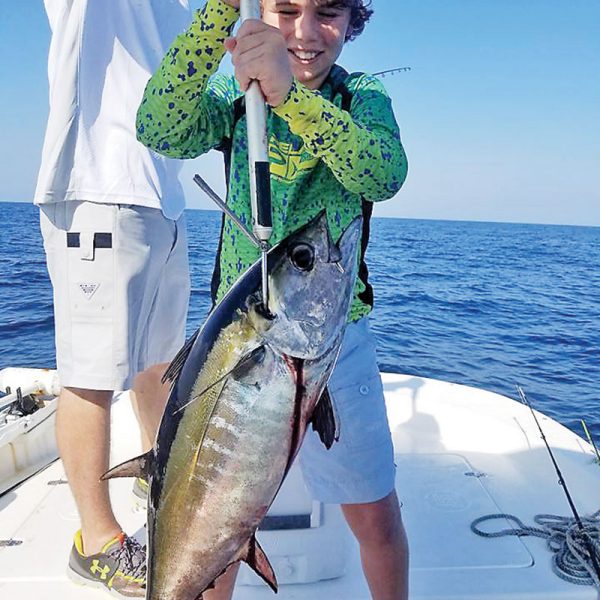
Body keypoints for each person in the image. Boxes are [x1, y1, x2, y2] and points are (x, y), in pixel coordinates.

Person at [136, 0, 409, 598]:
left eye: (328, 13)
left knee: (375, 517)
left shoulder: (359, 98)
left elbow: (384, 172)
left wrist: (292, 99)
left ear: (352, 20)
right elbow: (158, 124)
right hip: (234, 350)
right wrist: (218, 18)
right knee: (211, 526)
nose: (307, 33)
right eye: (286, 10)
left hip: (339, 345)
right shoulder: (240, 102)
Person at [35, 1, 191, 596]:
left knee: (161, 362)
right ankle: (96, 541)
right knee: (91, 370)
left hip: (162, 194)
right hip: (95, 183)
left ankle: (158, 472)